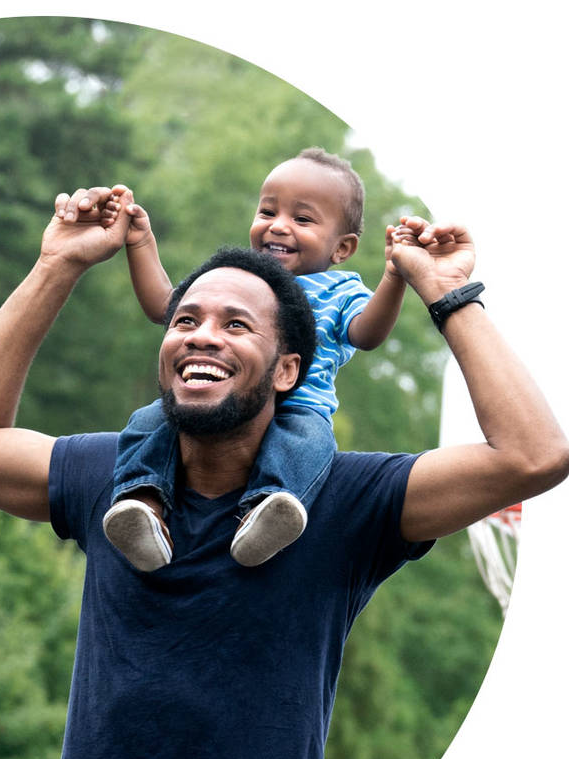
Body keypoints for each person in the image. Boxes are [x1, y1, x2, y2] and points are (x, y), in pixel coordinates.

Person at [0, 185, 569, 759]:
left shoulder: (346, 501)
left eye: (235, 325)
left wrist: (448, 292)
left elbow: (535, 457)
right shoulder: (112, 478)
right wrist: (57, 264)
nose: (203, 337)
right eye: (187, 320)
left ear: (290, 369)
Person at [102, 148, 408, 571]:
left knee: (309, 444)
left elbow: (368, 334)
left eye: (302, 219)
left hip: (298, 409)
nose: (278, 226)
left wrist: (394, 277)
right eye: (268, 211)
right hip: (218, 401)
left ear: (343, 247)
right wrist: (140, 242)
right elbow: (164, 307)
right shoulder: (236, 282)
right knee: (148, 422)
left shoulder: (341, 292)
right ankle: (143, 504)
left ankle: (267, 513)